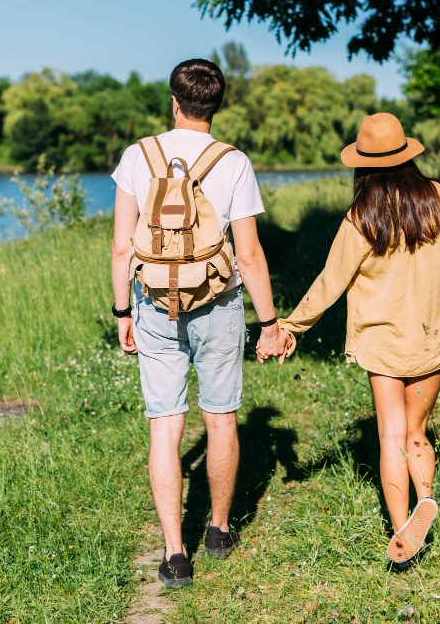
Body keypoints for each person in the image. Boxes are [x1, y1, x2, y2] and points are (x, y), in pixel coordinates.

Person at [110, 58, 289, 587]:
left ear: (174, 101)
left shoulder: (137, 157)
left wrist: (124, 311)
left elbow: (123, 246)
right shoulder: (233, 162)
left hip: (153, 303)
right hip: (218, 302)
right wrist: (270, 322)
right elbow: (250, 255)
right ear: (217, 104)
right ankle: (217, 528)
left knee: (166, 426)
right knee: (220, 417)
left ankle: (174, 553)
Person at [269, 112, 440, 567]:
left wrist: (291, 326)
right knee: (417, 431)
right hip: (431, 336)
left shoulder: (363, 216)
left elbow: (331, 281)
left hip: (383, 344)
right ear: (408, 153)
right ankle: (426, 497)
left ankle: (403, 528)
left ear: (362, 165)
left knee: (390, 436)